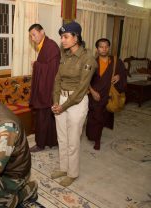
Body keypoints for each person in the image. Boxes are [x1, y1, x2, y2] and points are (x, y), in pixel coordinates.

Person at [51, 21, 97, 187]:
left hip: (76, 103)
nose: (62, 40)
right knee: (62, 138)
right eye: (61, 37)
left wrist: (63, 106)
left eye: (65, 36)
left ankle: (73, 173)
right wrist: (56, 101)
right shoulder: (65, 55)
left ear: (76, 37)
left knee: (73, 140)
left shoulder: (88, 58)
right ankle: (64, 168)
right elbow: (57, 80)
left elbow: (81, 89)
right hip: (61, 100)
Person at [86, 38, 127, 150]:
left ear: (109, 47)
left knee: (102, 117)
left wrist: (119, 76)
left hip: (108, 95)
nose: (104, 49)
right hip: (95, 95)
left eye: (106, 47)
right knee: (94, 117)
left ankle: (97, 140)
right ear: (97, 49)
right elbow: (85, 79)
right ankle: (92, 135)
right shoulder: (91, 61)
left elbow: (123, 73)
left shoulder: (115, 61)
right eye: (101, 47)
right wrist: (92, 92)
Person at [28, 23, 61, 152]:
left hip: (48, 89)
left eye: (34, 35)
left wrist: (36, 65)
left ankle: (41, 144)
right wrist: (38, 65)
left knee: (43, 117)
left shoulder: (51, 46)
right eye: (30, 36)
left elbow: (53, 69)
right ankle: (51, 141)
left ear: (42, 31)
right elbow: (47, 66)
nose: (32, 38)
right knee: (47, 117)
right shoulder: (44, 45)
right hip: (45, 87)